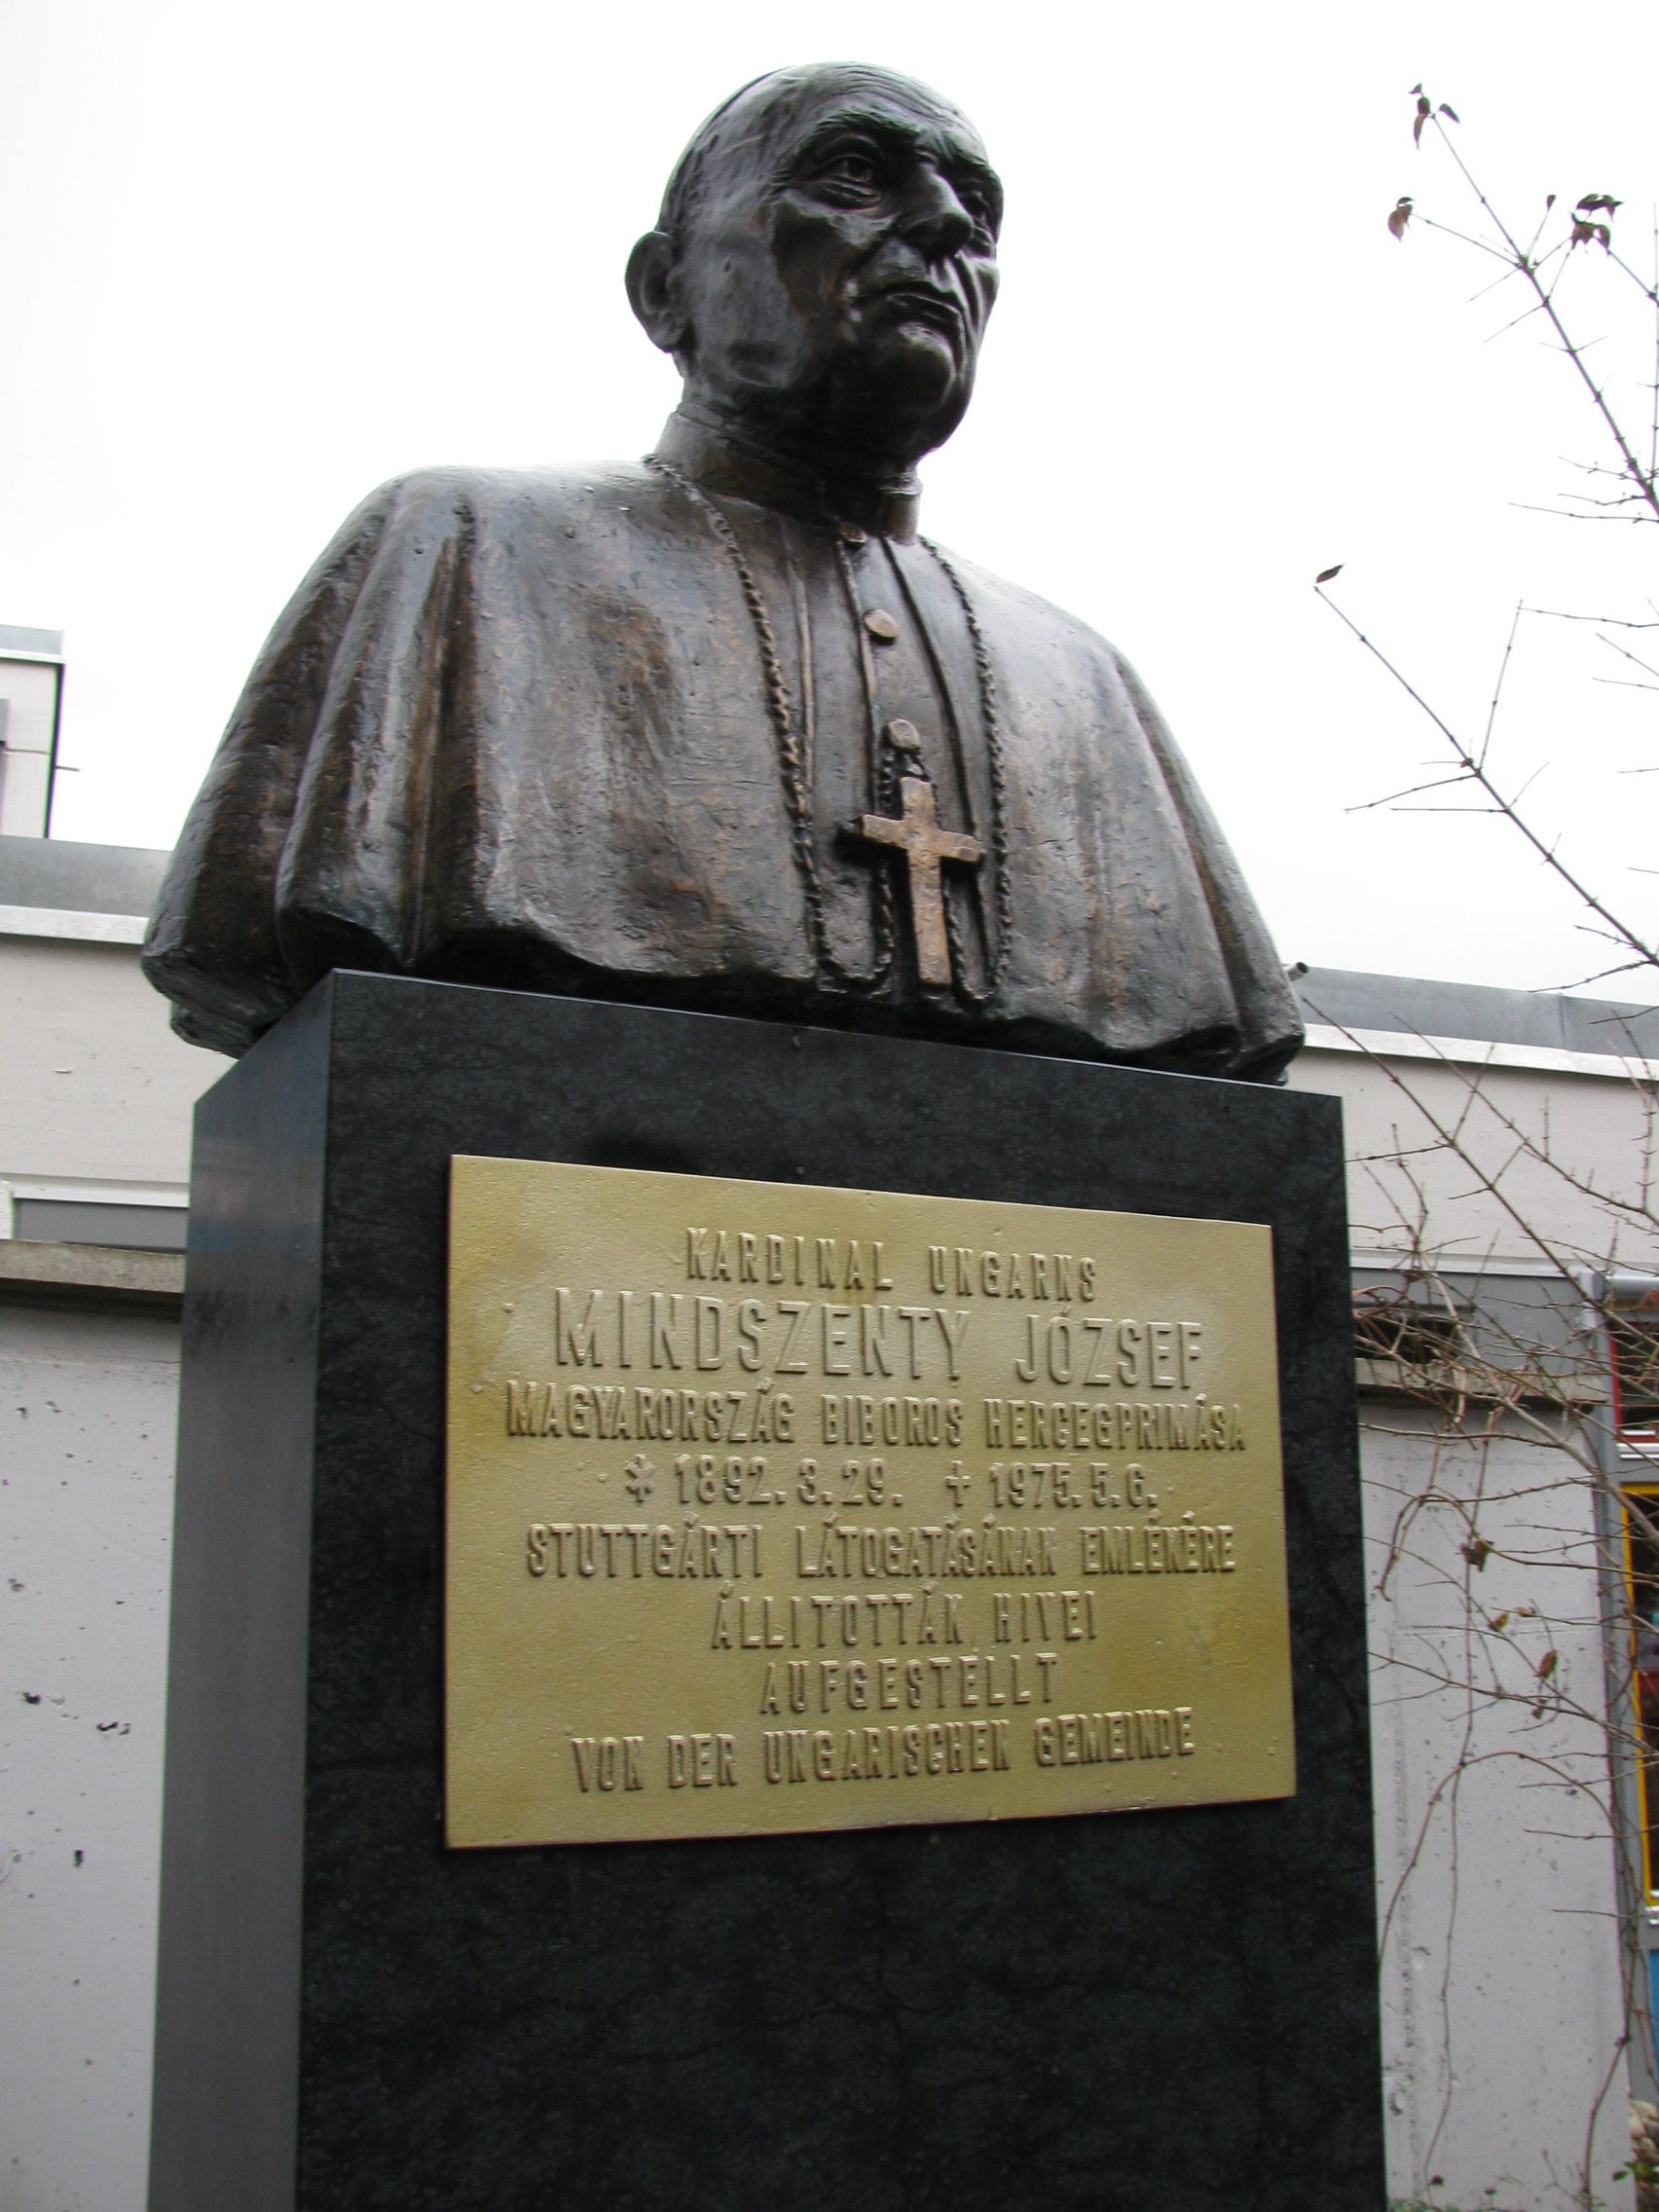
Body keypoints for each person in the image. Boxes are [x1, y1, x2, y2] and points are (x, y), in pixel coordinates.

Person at [142, 63, 1304, 1080]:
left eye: (979, 207)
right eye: (855, 175)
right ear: (666, 291)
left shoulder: (1085, 679)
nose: (947, 224)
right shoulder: (465, 550)